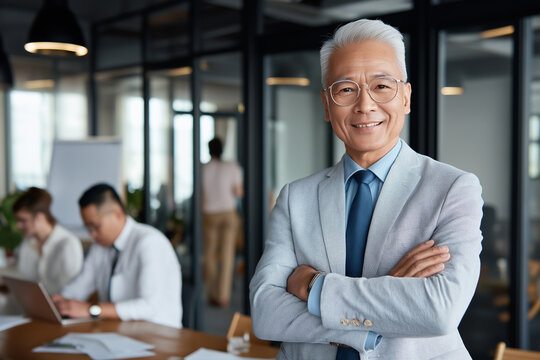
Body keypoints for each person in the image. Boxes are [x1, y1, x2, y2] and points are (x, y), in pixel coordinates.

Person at [250, 19, 483, 360]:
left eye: (381, 86)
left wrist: (315, 286)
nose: (365, 105)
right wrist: (390, 293)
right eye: (345, 89)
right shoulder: (295, 197)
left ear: (405, 96)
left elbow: (439, 311)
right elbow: (265, 313)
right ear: (327, 105)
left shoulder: (453, 188)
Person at [52, 183, 182, 328]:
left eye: (95, 226)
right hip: (118, 332)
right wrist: (61, 301)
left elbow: (148, 306)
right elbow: (80, 287)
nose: (92, 234)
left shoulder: (149, 242)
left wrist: (92, 310)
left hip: (159, 334)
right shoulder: (100, 247)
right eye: (88, 228)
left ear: (118, 214)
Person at [12, 187, 83, 295]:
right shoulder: (26, 244)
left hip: (58, 309)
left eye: (23, 220)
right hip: (30, 306)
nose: (18, 225)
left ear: (39, 217)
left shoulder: (68, 244)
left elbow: (73, 292)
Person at [202, 137, 243, 307]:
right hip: (227, 213)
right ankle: (223, 296)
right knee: (227, 255)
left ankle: (212, 293)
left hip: (209, 213)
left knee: (209, 254)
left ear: (209, 150)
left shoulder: (202, 168)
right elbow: (239, 192)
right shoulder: (232, 166)